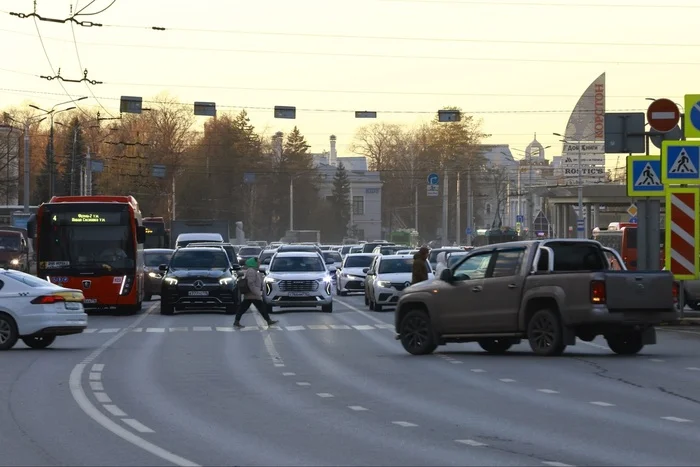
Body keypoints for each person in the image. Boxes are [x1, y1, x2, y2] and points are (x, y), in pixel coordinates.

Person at [233, 257, 278, 328]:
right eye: (258, 262)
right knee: (260, 307)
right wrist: (257, 292)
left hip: (251, 294)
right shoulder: (251, 271)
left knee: (244, 307)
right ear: (254, 263)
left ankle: (237, 321)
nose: (259, 264)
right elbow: (251, 283)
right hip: (252, 294)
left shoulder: (253, 270)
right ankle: (268, 320)